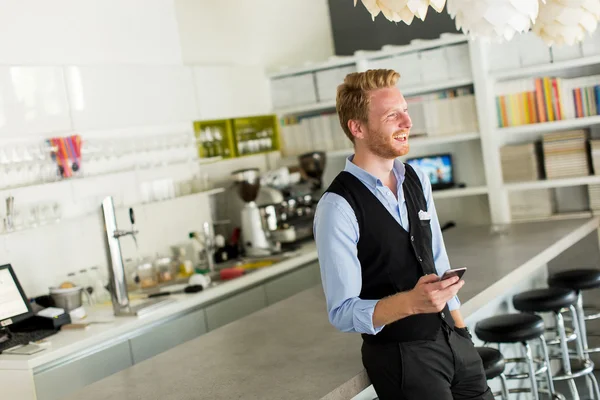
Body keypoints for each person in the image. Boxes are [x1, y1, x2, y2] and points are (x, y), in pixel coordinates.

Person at [313, 69, 493, 400]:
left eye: (405, 111)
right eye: (392, 115)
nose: (406, 122)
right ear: (358, 128)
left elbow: (437, 257)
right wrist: (409, 302)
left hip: (453, 339)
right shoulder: (337, 207)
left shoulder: (416, 178)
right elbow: (342, 311)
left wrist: (460, 328)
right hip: (403, 357)